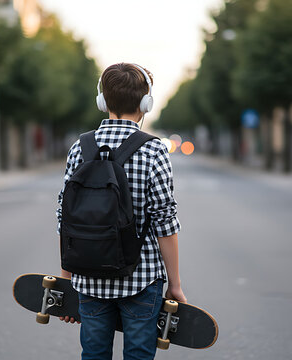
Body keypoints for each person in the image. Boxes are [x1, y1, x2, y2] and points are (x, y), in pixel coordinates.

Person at [56, 62, 186, 360]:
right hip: (141, 280)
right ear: (146, 103)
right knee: (139, 355)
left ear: (103, 101)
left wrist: (67, 279)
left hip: (88, 277)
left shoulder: (80, 147)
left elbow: (65, 217)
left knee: (94, 354)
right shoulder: (153, 150)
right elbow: (165, 222)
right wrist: (175, 284)